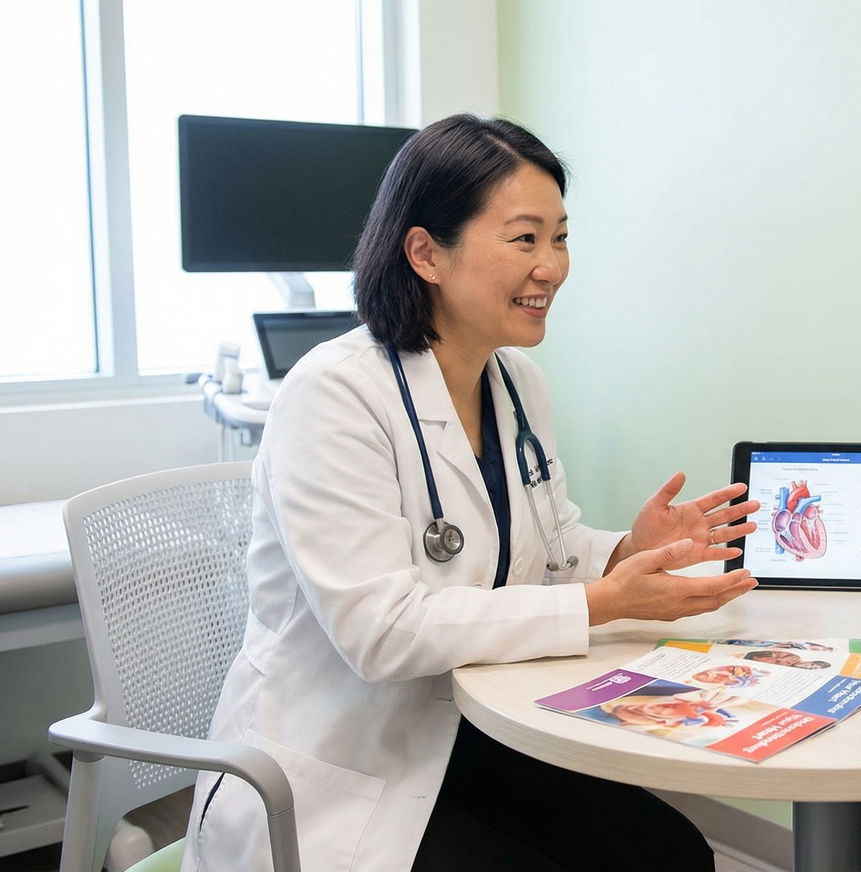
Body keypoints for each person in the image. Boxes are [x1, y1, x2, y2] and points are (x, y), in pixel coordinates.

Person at [180, 114, 761, 872]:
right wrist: (604, 601)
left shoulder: (517, 383)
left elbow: (543, 552)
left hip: (472, 735)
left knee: (669, 852)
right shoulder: (332, 395)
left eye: (559, 237)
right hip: (340, 768)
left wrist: (624, 550)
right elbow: (380, 633)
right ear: (425, 252)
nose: (551, 266)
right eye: (524, 239)